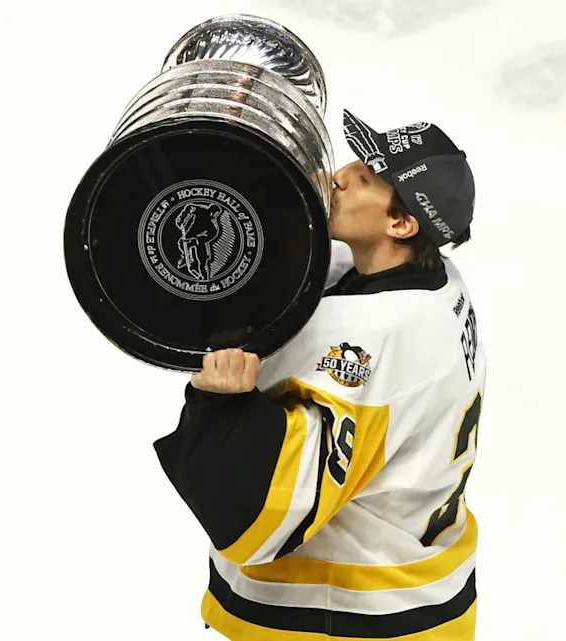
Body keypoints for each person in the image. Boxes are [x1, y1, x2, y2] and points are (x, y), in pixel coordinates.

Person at [153, 109, 485, 641]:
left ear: (401, 224)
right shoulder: (432, 281)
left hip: (345, 616)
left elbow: (262, 513)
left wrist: (220, 403)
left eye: (367, 178)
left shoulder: (370, 343)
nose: (341, 175)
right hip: (417, 593)